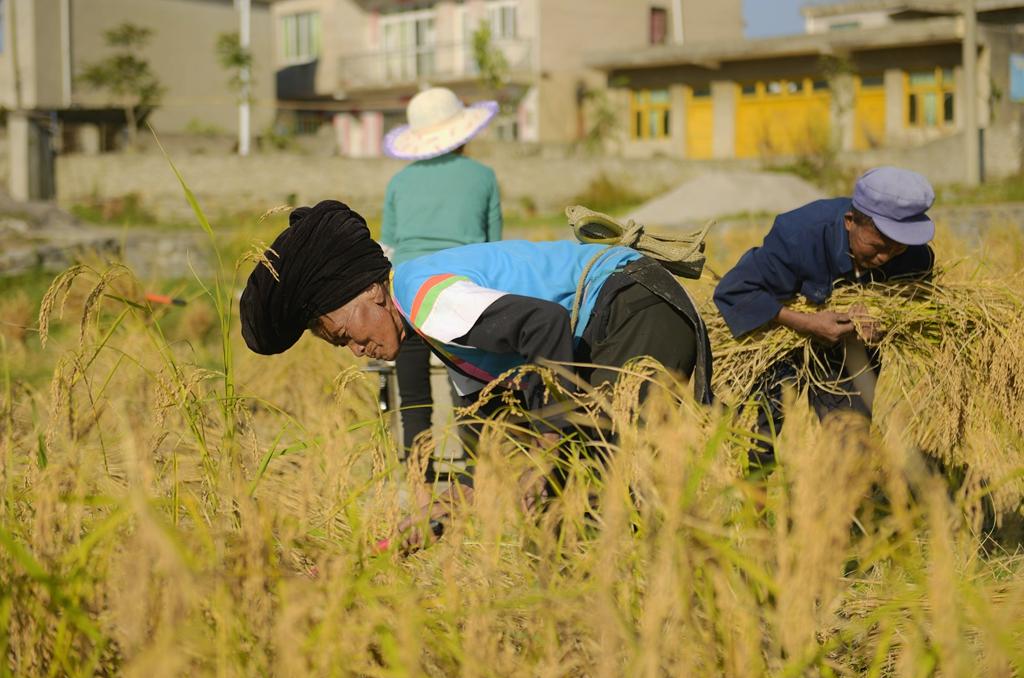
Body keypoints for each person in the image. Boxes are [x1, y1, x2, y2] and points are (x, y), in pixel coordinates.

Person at [240, 200, 712, 549]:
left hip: (632, 306)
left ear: (371, 291)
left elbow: (544, 324)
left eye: (346, 333)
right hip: (614, 322)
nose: (355, 349)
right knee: (559, 510)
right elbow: (493, 447)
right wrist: (442, 513)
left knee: (594, 485)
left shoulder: (429, 301)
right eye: (342, 346)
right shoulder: (437, 337)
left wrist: (544, 453)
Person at [713, 166, 936, 465]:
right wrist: (806, 322)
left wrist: (883, 322)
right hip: (778, 340)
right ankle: (756, 504)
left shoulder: (913, 257)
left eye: (896, 249)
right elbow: (735, 290)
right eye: (877, 247)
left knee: (850, 447)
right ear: (850, 222)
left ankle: (837, 507)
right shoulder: (799, 235)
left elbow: (912, 303)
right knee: (758, 441)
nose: (885, 257)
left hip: (847, 354)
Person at [380, 87, 503, 482]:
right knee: (468, 390)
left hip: (409, 290)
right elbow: (494, 247)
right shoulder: (483, 177)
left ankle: (420, 480)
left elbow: (391, 245)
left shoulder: (399, 183)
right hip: (462, 290)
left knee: (413, 395)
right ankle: (474, 478)